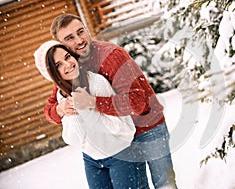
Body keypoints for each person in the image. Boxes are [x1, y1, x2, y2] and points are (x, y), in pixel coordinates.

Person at [44, 13, 177, 189]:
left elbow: (137, 102)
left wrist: (92, 102)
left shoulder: (111, 56)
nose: (79, 40)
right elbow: (50, 110)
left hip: (147, 128)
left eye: (80, 32)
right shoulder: (70, 66)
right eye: (70, 38)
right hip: (118, 137)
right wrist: (60, 109)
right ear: (61, 45)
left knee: (164, 183)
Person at [34, 41, 149, 189]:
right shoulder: (61, 95)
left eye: (67, 57)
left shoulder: (96, 83)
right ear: (53, 75)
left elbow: (122, 126)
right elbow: (72, 138)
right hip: (92, 159)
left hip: (121, 153)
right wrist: (65, 110)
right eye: (58, 65)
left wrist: (91, 105)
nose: (68, 64)